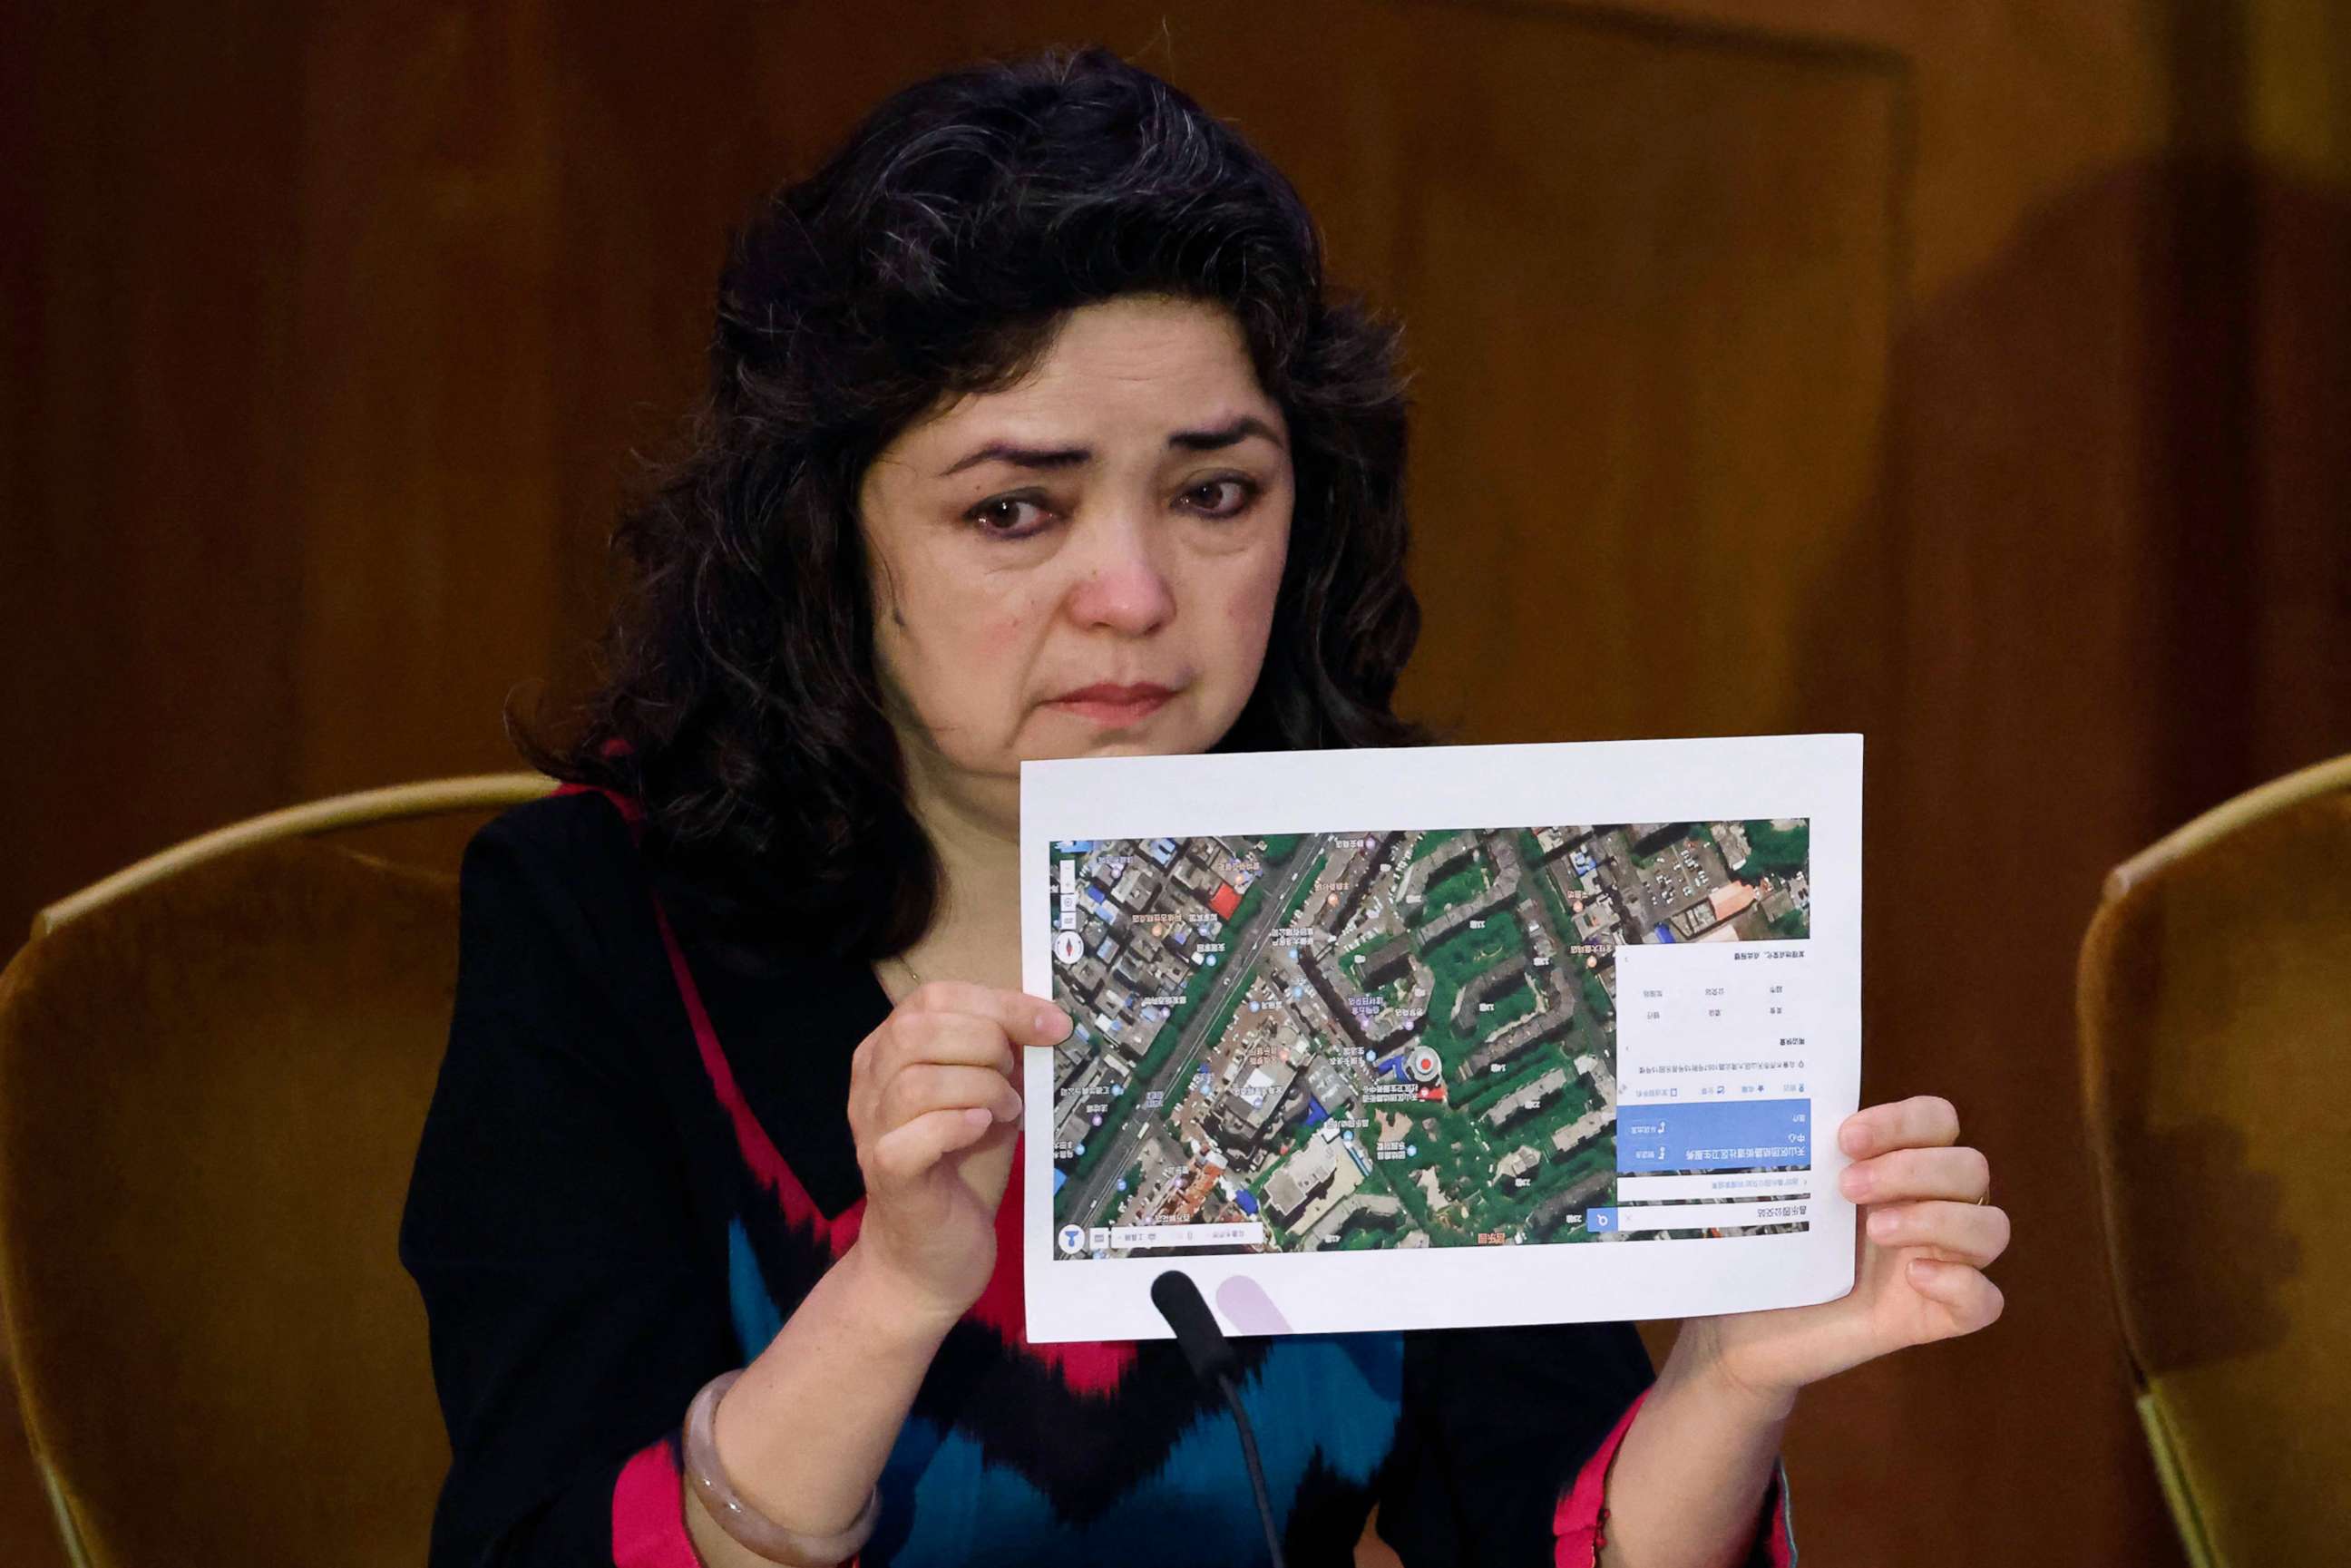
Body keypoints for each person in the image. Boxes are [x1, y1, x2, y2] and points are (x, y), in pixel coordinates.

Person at [398, 44, 2008, 1568]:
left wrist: (1731, 1374)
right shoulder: (596, 911)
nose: (1133, 592)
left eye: (1215, 492)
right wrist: (890, 1294)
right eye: (1016, 508)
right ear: (829, 538)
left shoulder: (1402, 893)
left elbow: (1538, 1522)